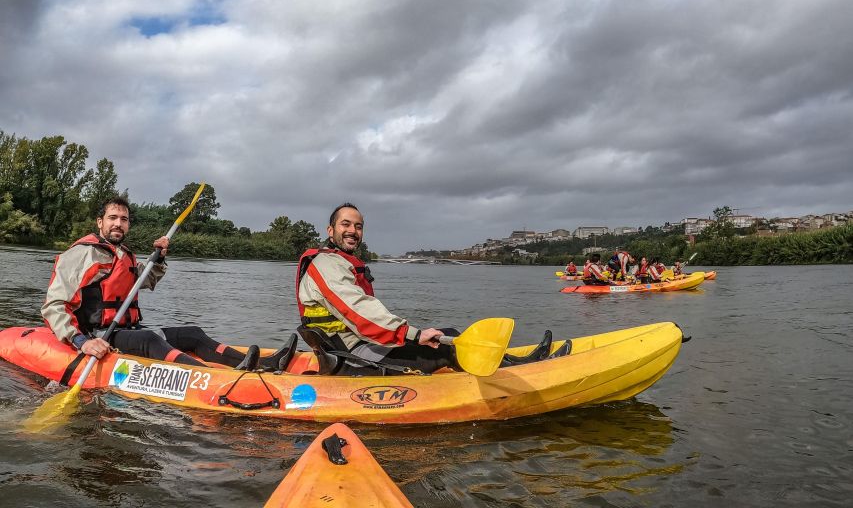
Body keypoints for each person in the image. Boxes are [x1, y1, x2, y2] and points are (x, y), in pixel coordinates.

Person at [296, 203, 564, 375]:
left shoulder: (336, 262)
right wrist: (411, 334)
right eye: (346, 224)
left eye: (358, 226)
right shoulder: (327, 265)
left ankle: (515, 363)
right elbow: (358, 311)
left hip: (353, 346)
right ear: (331, 231)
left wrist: (410, 335)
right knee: (447, 347)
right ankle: (522, 374)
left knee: (449, 335)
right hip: (351, 357)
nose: (353, 230)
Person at [42, 196, 289, 371]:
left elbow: (146, 280)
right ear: (100, 222)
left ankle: (263, 364)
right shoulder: (81, 254)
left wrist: (158, 258)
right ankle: (217, 377)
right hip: (98, 335)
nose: (118, 223)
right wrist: (81, 342)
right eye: (112, 218)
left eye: (124, 219)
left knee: (192, 333)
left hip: (127, 331)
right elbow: (54, 305)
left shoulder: (124, 253)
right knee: (150, 339)